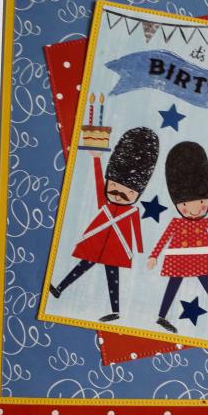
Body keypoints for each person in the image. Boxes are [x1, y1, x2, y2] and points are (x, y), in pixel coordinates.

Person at [50, 127, 159, 322]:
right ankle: (59, 289)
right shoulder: (105, 203)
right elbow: (98, 182)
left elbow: (136, 230)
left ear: (136, 193)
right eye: (114, 186)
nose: (118, 194)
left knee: (112, 278)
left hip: (116, 248)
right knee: (81, 267)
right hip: (98, 243)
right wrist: (96, 159)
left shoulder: (131, 212)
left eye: (128, 192)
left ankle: (115, 311)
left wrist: (141, 250)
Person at [147, 141, 208, 333]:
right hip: (179, 259)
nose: (194, 209)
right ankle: (162, 316)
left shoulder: (201, 223)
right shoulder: (177, 223)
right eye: (185, 205)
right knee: (174, 285)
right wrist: (153, 255)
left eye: (201, 203)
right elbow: (164, 238)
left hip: (200, 258)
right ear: (177, 205)